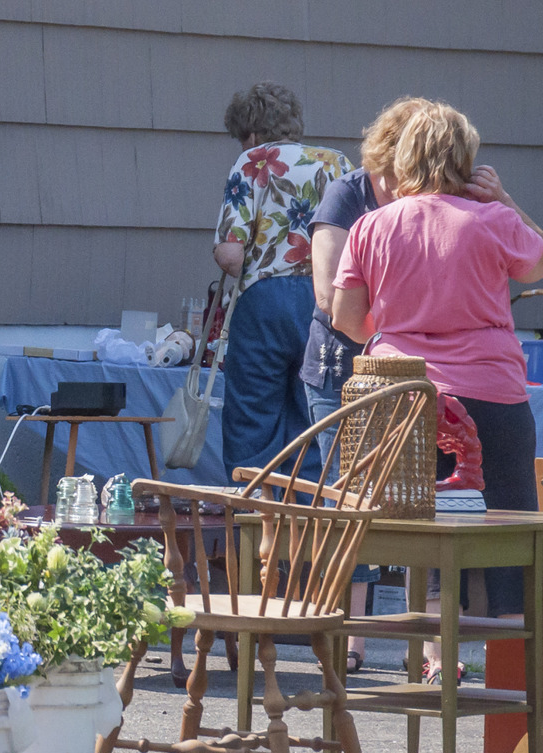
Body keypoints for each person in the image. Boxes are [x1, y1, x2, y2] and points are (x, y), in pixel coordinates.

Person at [333, 102, 543, 682]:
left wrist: (402, 326)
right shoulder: (492, 221)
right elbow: (536, 263)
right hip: (491, 391)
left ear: (402, 159)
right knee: (510, 523)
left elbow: (348, 318)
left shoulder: (372, 226)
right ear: (465, 160)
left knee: (422, 528)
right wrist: (502, 201)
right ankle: (515, 672)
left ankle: (434, 660)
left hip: (401, 397)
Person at [306, 97, 430, 674]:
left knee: (419, 507)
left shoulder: (430, 200)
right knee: (348, 502)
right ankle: (347, 645)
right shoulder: (346, 195)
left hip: (409, 376)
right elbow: (329, 298)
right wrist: (405, 325)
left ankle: (426, 650)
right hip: (341, 372)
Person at [214, 82, 354, 484]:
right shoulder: (339, 164)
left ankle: (255, 527)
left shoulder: (252, 161)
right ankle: (310, 532)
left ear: (253, 134)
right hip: (328, 303)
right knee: (315, 420)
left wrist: (220, 251)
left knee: (251, 423)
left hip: (265, 304)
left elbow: (232, 255)